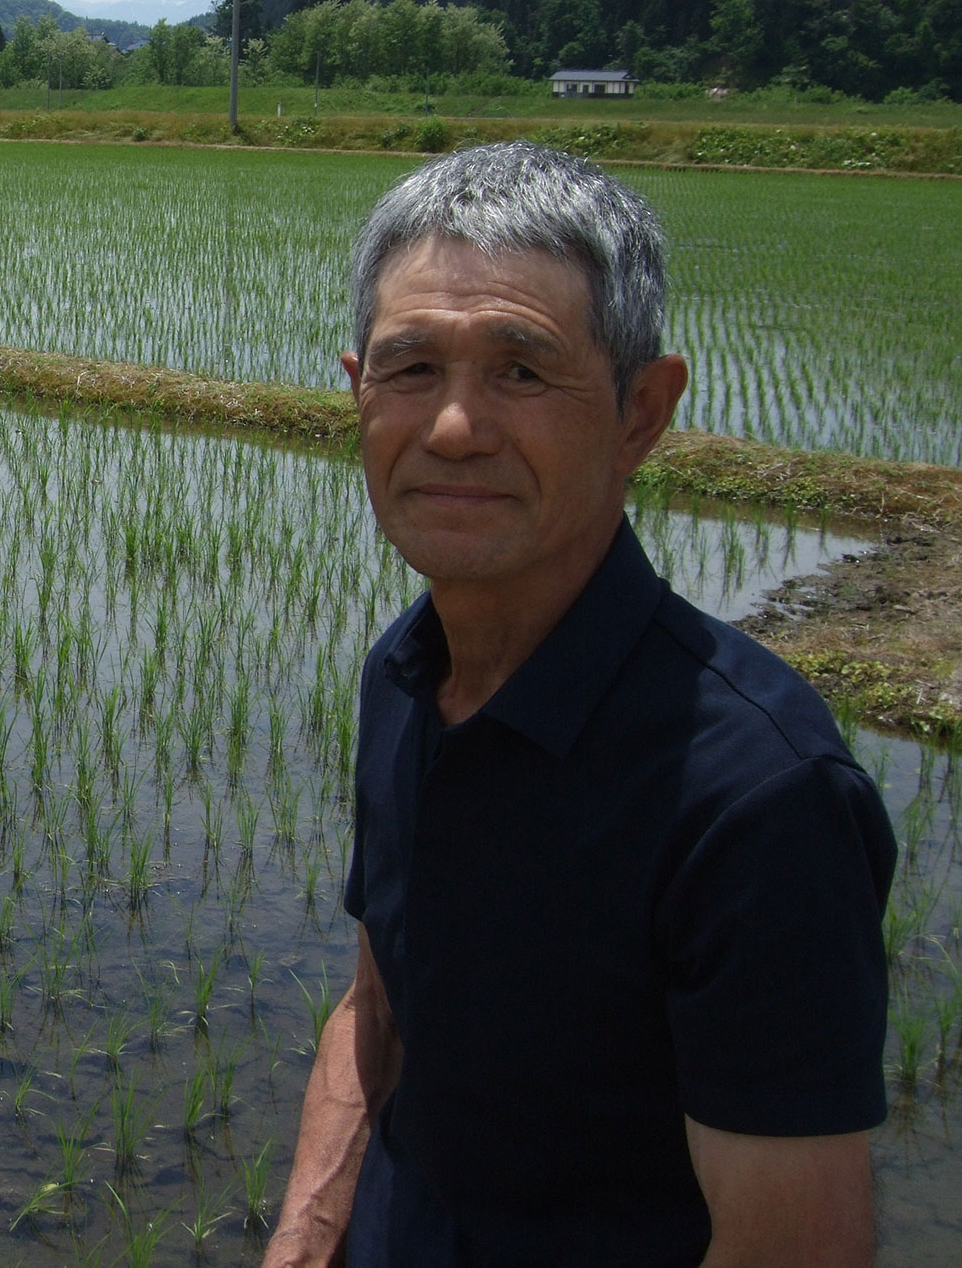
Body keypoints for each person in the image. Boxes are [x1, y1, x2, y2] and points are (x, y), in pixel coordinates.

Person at [263, 142, 896, 1268]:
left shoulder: (755, 800)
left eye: (520, 369)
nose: (453, 428)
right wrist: (307, 1238)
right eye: (411, 371)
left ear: (641, 411)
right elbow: (378, 1011)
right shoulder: (404, 674)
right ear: (358, 391)